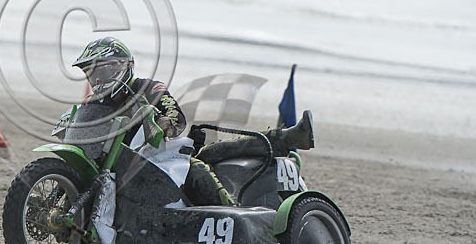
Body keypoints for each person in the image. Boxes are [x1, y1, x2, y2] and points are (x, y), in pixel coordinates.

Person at [72, 36, 315, 205]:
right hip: (119, 168)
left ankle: (284, 140)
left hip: (160, 159)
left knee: (201, 163)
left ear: (124, 67)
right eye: (92, 73)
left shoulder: (148, 87)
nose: (99, 79)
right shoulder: (95, 104)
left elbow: (174, 113)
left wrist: (168, 123)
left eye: (104, 71)